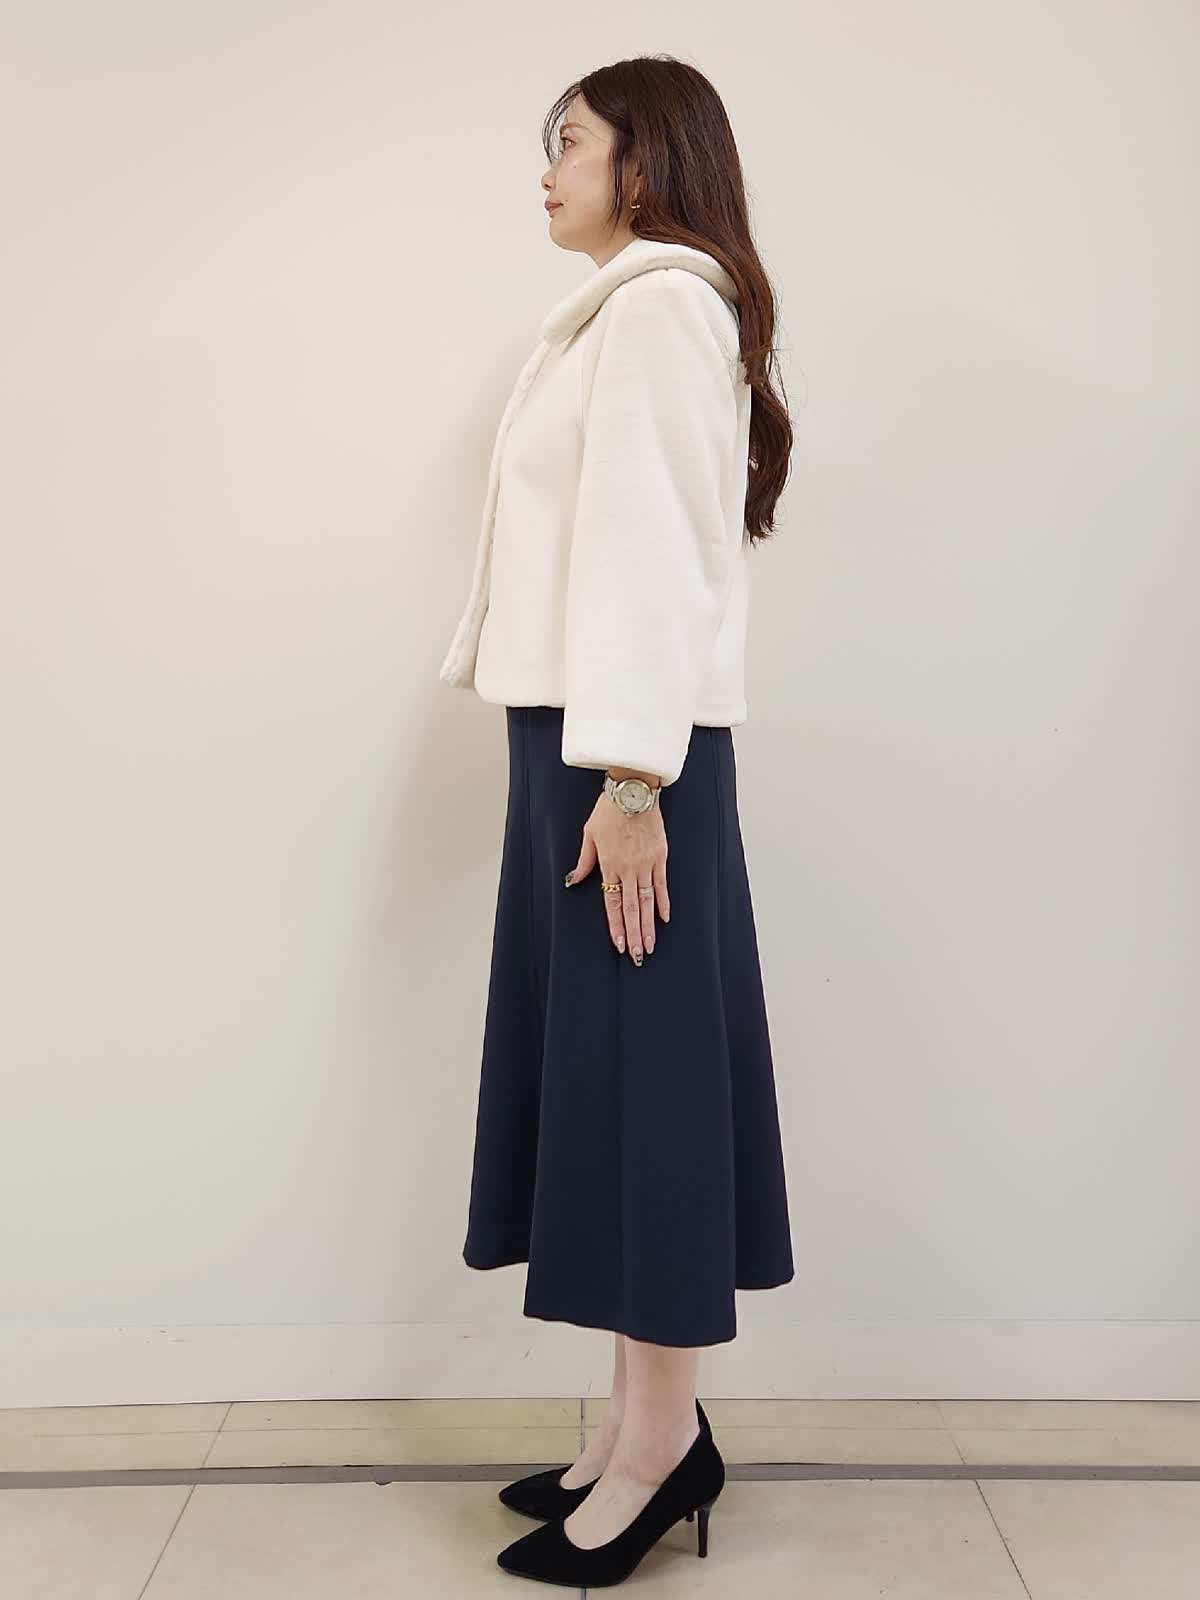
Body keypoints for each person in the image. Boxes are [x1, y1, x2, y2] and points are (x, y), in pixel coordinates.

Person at [438, 55, 796, 1587]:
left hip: (623, 766)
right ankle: (645, 1422)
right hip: (588, 750)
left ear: (644, 162)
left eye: (568, 141)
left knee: (645, 1094)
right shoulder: (623, 309)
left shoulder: (657, 308)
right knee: (612, 1086)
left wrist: (635, 783)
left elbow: (653, 555)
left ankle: (658, 1446)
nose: (546, 167)